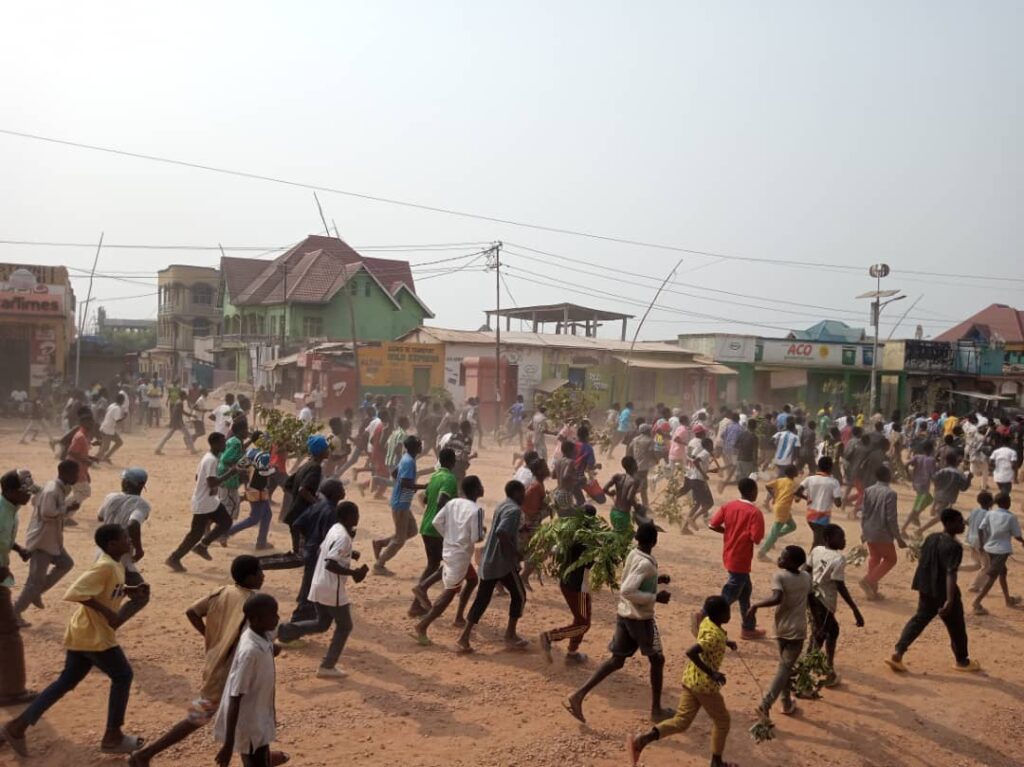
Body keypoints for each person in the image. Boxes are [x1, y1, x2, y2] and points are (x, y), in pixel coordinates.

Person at [1, 524, 150, 757]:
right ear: (112, 544)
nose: (130, 541)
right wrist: (108, 612)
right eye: (125, 538)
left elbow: (106, 588)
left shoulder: (115, 565)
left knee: (65, 682)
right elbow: (74, 592)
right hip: (94, 635)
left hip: (82, 632)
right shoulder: (105, 566)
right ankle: (112, 737)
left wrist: (129, 590)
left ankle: (17, 727)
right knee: (123, 675)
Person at [127, 556, 268, 767]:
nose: (263, 576)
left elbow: (192, 612)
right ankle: (145, 754)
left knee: (235, 719)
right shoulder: (253, 604)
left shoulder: (221, 592)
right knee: (213, 719)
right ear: (250, 577)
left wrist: (210, 638)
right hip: (231, 673)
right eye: (260, 572)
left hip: (216, 666)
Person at [565, 521, 673, 724]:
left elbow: (633, 580)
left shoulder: (634, 554)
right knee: (657, 659)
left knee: (617, 660)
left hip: (625, 615)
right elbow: (628, 590)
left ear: (637, 538)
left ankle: (578, 695)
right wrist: (655, 597)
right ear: (655, 541)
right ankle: (656, 710)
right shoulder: (646, 564)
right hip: (640, 619)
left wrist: (657, 579)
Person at [627, 595, 736, 767]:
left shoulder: (708, 622)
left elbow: (708, 637)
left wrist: (726, 642)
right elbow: (691, 651)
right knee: (723, 721)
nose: (730, 614)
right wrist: (713, 673)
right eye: (727, 611)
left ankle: (643, 739)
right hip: (705, 686)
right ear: (720, 615)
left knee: (681, 721)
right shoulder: (714, 635)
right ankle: (716, 762)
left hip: (691, 680)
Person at [276, 502, 369, 678]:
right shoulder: (343, 537)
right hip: (331, 589)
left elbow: (323, 550)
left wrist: (350, 553)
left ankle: (284, 631)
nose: (358, 517)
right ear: (348, 517)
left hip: (318, 584)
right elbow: (330, 564)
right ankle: (327, 666)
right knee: (345, 626)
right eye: (356, 514)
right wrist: (354, 573)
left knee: (322, 623)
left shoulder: (335, 528)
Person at [887, 508, 979, 673]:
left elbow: (924, 561)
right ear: (949, 523)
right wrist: (950, 599)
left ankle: (898, 652)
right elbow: (951, 573)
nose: (963, 524)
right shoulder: (954, 546)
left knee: (919, 620)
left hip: (926, 587)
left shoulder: (931, 538)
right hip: (943, 591)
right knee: (956, 627)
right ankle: (962, 661)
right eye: (959, 521)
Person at [411, 475, 486, 644]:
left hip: (449, 549)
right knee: (449, 592)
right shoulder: (477, 510)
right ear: (476, 490)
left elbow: (437, 522)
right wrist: (482, 531)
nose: (483, 488)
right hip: (461, 556)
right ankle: (422, 626)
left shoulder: (452, 503)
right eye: (480, 485)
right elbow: (477, 538)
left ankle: (459, 617)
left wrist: (450, 536)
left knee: (472, 580)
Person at [456, 480, 529, 653]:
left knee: (482, 599)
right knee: (520, 596)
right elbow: (501, 532)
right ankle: (510, 635)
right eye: (523, 493)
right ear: (517, 493)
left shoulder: (503, 505)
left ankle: (464, 637)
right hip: (503, 563)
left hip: (489, 561)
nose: (524, 496)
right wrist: (515, 554)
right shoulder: (514, 510)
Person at [213, 593, 280, 767]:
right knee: (255, 760)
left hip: (258, 718)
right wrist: (228, 745)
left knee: (260, 757)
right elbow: (235, 697)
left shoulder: (259, 634)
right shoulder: (250, 653)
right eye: (273, 615)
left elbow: (269, 646)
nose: (278, 618)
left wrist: (274, 649)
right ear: (256, 620)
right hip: (249, 724)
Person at [748, 545, 811, 719]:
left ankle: (784, 702)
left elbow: (777, 598)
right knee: (785, 668)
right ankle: (768, 704)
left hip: (781, 628)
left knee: (785, 668)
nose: (779, 559)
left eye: (783, 558)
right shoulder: (806, 577)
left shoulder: (779, 576)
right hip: (797, 630)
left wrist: (756, 605)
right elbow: (810, 598)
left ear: (793, 562)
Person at [13, 459, 80, 621]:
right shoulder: (52, 490)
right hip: (42, 541)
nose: (77, 477)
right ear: (66, 474)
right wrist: (68, 508)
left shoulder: (57, 487)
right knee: (34, 582)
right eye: (75, 474)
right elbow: (47, 513)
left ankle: (36, 593)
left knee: (65, 563)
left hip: (51, 540)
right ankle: (14, 613)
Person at [539, 503, 598, 665]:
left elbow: (555, 550)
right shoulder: (589, 541)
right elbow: (590, 564)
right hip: (578, 588)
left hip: (566, 583)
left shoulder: (568, 534)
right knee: (583, 624)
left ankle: (572, 653)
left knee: (580, 620)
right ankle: (550, 636)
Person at [166, 433, 233, 572]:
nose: (225, 445)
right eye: (222, 442)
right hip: (203, 503)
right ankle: (174, 558)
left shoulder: (210, 457)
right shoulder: (211, 460)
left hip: (210, 501)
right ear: (215, 444)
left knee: (226, 521)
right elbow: (211, 482)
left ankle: (202, 546)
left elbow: (198, 477)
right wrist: (232, 473)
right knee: (195, 534)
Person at [708, 478, 766, 640]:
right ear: (753, 491)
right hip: (741, 557)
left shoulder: (728, 506)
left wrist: (728, 532)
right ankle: (704, 614)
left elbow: (712, 525)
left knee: (745, 592)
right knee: (730, 594)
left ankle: (748, 627)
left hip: (729, 553)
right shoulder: (755, 512)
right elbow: (756, 538)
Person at [808, 524, 864, 684]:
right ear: (827, 538)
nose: (843, 540)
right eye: (840, 537)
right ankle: (821, 670)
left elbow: (806, 569)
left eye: (844, 537)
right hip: (825, 602)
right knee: (825, 634)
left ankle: (822, 667)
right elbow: (840, 585)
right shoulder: (839, 559)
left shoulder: (817, 550)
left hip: (813, 598)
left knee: (822, 631)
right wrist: (855, 610)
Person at [0, 470, 37, 705]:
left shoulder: (10, 509)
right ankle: (12, 691)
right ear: (11, 491)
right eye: (25, 492)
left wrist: (17, 548)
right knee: (9, 633)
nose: (28, 496)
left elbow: (2, 537)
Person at [409, 447, 459, 616]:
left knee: (433, 564)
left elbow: (425, 498)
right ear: (453, 462)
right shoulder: (450, 479)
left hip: (427, 526)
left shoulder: (435, 476)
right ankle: (421, 591)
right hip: (437, 529)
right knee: (448, 563)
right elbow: (441, 501)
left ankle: (416, 604)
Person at [372, 435, 428, 576]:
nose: (421, 446)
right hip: (401, 504)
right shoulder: (409, 462)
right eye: (419, 445)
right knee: (399, 540)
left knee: (412, 530)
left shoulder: (406, 458)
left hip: (403, 502)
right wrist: (422, 486)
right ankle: (379, 565)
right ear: (415, 447)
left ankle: (380, 543)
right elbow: (404, 482)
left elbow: (394, 473)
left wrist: (408, 487)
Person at [96, 468, 151, 587]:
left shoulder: (110, 497)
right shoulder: (142, 505)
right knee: (139, 592)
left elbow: (100, 517)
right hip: (120, 555)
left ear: (126, 483)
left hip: (102, 552)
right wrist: (139, 549)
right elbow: (133, 524)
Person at [858, 466, 907, 600]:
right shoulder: (890, 493)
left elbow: (864, 513)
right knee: (891, 559)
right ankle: (869, 581)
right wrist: (898, 538)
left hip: (869, 529)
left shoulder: (868, 490)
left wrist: (863, 530)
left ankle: (872, 592)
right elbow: (891, 518)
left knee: (875, 558)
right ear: (888, 476)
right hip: (882, 532)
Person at [971, 492, 1024, 615]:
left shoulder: (990, 513)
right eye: (1009, 501)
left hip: (989, 548)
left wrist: (982, 544)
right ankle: (976, 602)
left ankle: (1008, 600)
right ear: (1006, 503)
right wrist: (1023, 541)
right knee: (992, 577)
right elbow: (1017, 535)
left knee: (1002, 573)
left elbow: (981, 528)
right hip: (1001, 551)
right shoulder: (1011, 517)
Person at [282, 435, 330, 555]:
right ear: (320, 451)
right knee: (304, 554)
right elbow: (303, 490)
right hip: (302, 517)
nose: (328, 450)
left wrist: (297, 500)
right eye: (326, 448)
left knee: (299, 552)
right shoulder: (315, 468)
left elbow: (288, 484)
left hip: (295, 514)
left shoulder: (306, 465)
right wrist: (317, 504)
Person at [226, 451, 275, 551]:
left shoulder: (252, 455)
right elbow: (261, 478)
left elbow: (239, 467)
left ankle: (261, 542)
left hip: (256, 490)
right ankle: (225, 533)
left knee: (267, 515)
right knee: (254, 519)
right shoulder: (261, 459)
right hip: (257, 492)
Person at [918, 453, 972, 534]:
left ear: (946, 462)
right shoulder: (959, 474)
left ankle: (947, 532)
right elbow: (963, 488)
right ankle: (920, 530)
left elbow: (934, 480)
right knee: (940, 516)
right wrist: (969, 479)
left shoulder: (942, 471)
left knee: (947, 515)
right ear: (956, 462)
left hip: (938, 495)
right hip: (948, 498)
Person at [796, 456, 842, 548]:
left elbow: (797, 492)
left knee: (820, 541)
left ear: (818, 466)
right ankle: (811, 557)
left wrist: (807, 498)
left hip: (810, 515)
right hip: (823, 517)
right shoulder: (834, 482)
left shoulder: (810, 479)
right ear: (831, 468)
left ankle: (814, 556)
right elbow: (838, 503)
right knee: (818, 543)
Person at [758, 465, 798, 561]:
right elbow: (797, 499)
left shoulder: (781, 480)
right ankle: (762, 552)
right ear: (794, 473)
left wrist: (774, 496)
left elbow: (767, 486)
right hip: (783, 508)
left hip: (779, 506)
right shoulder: (794, 484)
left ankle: (773, 539)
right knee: (775, 530)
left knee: (792, 526)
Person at [681, 436, 720, 532]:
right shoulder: (705, 453)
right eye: (712, 445)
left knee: (697, 504)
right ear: (708, 445)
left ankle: (685, 527)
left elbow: (698, 466)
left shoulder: (705, 453)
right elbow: (695, 462)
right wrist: (704, 474)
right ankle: (693, 519)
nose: (713, 447)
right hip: (699, 481)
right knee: (709, 503)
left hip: (696, 480)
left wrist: (710, 471)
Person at [902, 441, 938, 536]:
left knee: (929, 499)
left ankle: (916, 515)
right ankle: (903, 528)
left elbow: (906, 465)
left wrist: (908, 475)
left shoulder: (917, 457)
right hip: (923, 485)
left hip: (916, 483)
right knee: (916, 507)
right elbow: (933, 475)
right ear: (931, 449)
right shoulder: (931, 460)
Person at [604, 455, 643, 533]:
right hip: (623, 514)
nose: (637, 465)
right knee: (624, 536)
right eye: (636, 463)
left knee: (620, 535)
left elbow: (605, 489)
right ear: (633, 466)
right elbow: (629, 497)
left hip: (614, 512)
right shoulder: (634, 481)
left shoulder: (617, 477)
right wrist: (637, 507)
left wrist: (610, 493)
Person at [626, 423, 657, 509]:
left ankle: (641, 503)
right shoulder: (650, 441)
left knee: (638, 485)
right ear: (647, 431)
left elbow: (629, 450)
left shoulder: (635, 439)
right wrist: (656, 459)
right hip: (643, 467)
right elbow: (651, 453)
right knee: (643, 487)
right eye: (649, 430)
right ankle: (645, 506)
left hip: (634, 466)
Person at [97, 393, 127, 463]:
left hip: (106, 428)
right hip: (108, 429)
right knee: (105, 447)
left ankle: (105, 457)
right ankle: (96, 458)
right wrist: (124, 417)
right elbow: (117, 420)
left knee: (119, 442)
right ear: (122, 401)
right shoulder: (117, 408)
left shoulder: (112, 405)